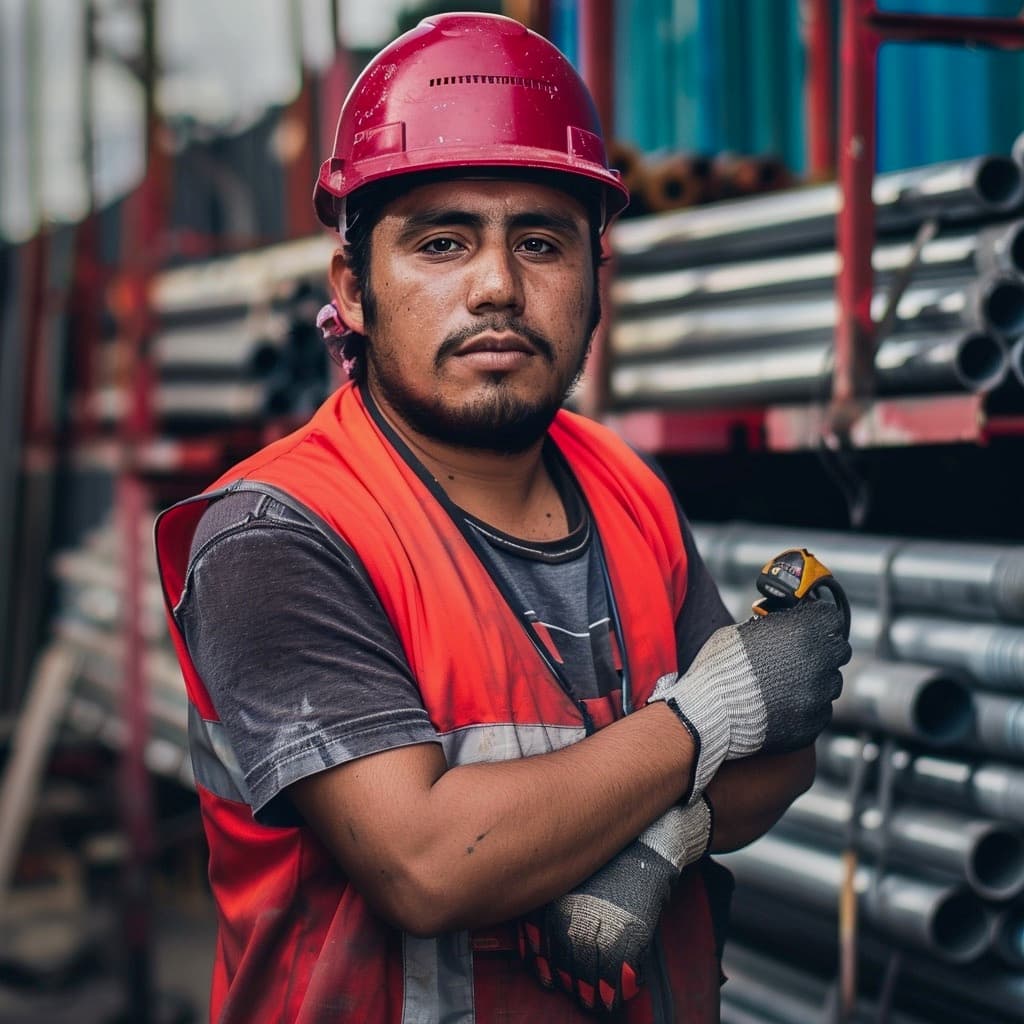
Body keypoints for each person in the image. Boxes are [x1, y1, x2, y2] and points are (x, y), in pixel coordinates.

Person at [155, 12, 851, 1023]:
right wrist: (706, 715)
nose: (496, 286)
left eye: (540, 240)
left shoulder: (624, 485)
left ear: (594, 279)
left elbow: (780, 758)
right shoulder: (280, 530)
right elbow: (430, 863)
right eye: (442, 241)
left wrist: (670, 836)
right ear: (352, 288)